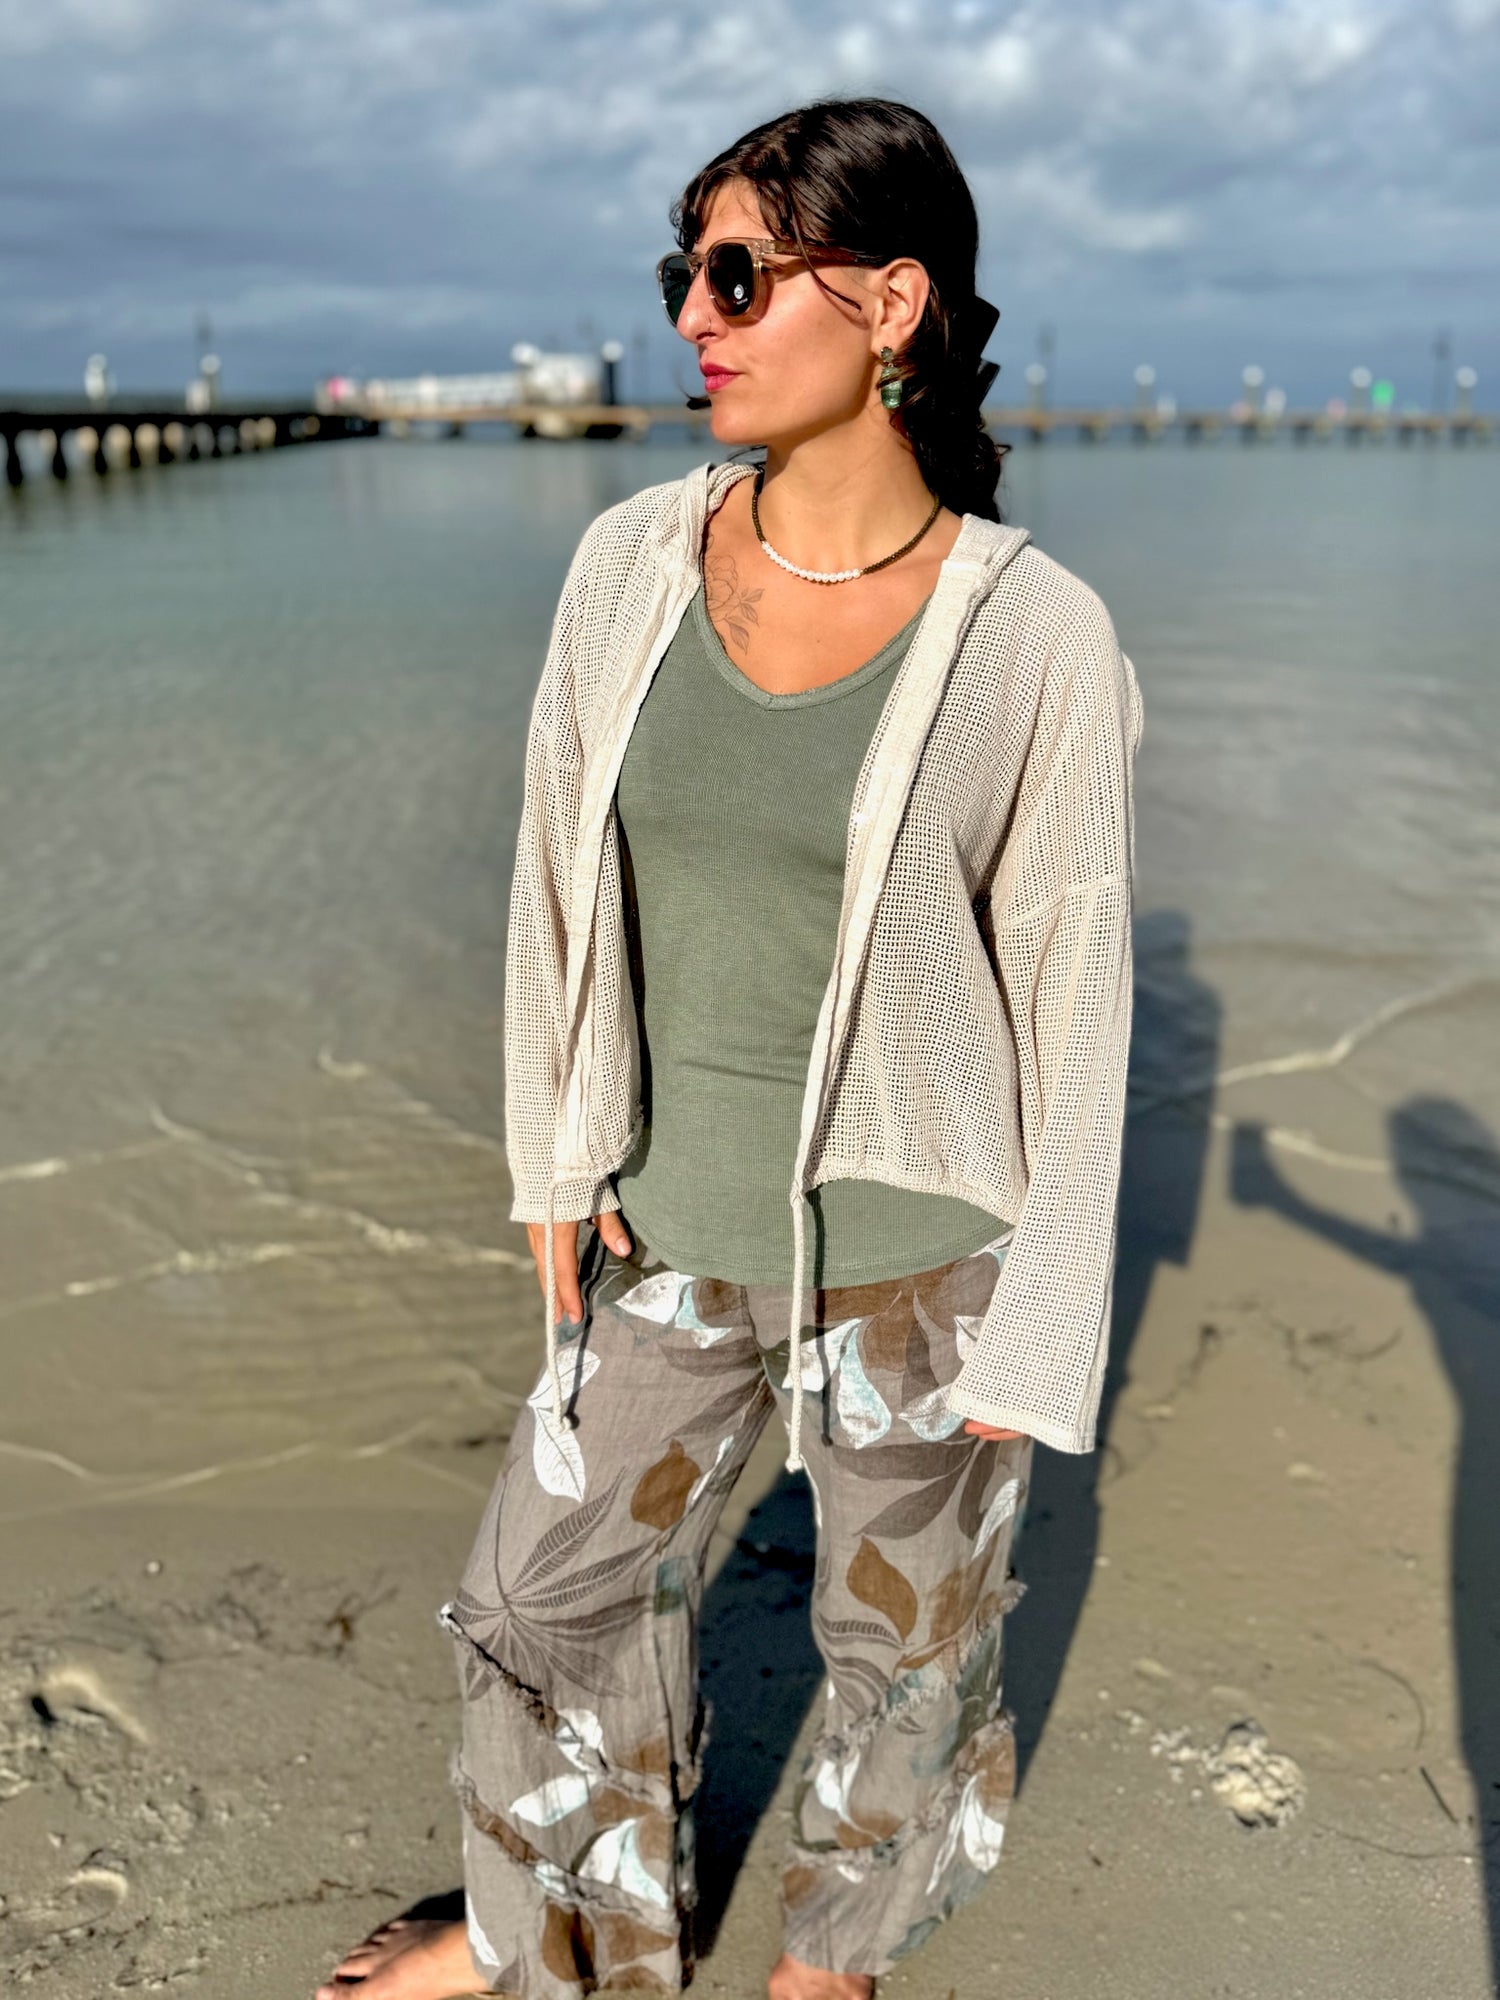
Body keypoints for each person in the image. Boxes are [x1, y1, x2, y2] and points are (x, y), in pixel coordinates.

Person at [316, 94, 1142, 2000]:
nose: (695, 312)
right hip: (672, 1224)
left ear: (895, 306)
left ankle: (834, 1957)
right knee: (540, 1597)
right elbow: (546, 873)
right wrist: (550, 1151)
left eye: (740, 273)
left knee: (906, 1648)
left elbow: (1081, 989)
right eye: (683, 271)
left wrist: (1047, 1317)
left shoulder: (1038, 639)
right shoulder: (627, 562)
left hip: (929, 1253)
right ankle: (569, 1926)